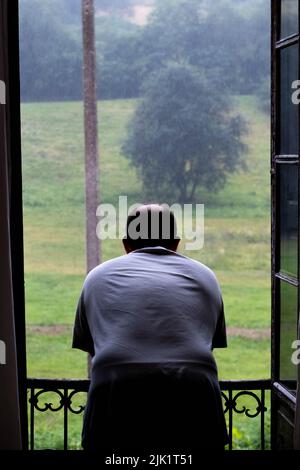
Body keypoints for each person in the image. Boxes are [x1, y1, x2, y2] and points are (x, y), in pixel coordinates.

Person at [72, 203, 228, 451]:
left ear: (126, 243)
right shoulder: (205, 276)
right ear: (176, 243)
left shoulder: (97, 277)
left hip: (114, 394)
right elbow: (211, 341)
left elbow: (90, 345)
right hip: (195, 395)